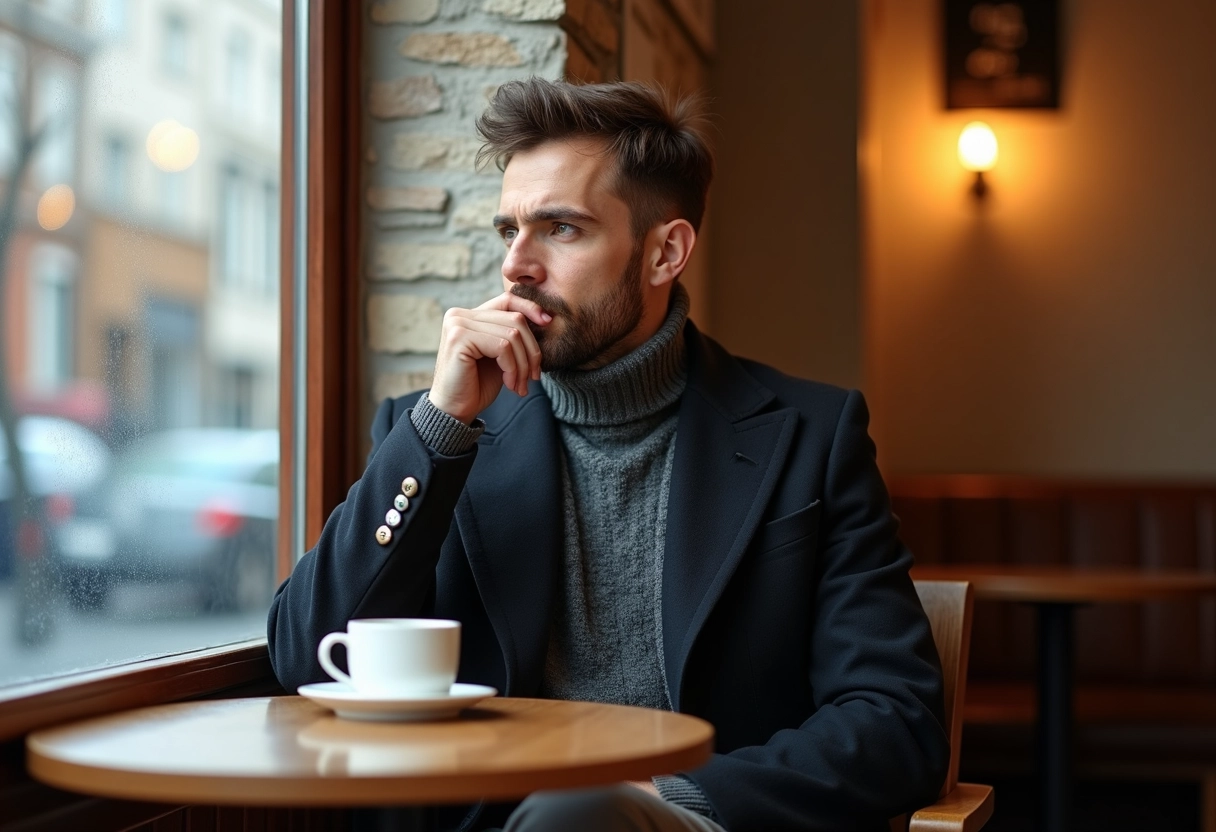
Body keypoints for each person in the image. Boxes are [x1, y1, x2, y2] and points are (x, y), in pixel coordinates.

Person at [268, 78, 949, 832]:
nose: (516, 266)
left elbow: (894, 720)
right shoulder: (433, 434)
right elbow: (307, 657)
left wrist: (676, 798)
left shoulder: (811, 438)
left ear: (665, 252)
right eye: (509, 231)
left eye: (561, 229)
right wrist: (440, 427)